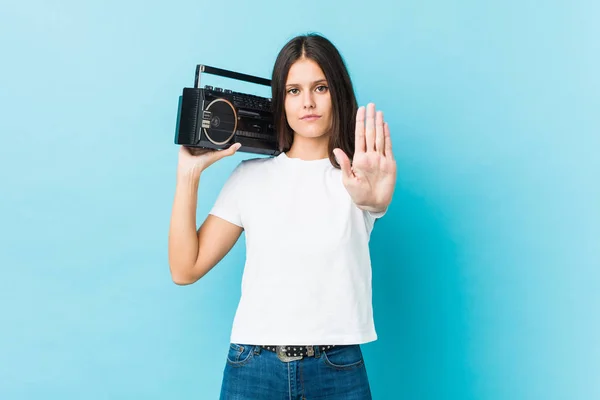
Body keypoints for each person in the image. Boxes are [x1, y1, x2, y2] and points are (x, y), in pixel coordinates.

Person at [168, 33, 397, 400]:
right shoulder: (249, 177)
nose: (307, 102)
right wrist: (188, 175)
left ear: (337, 92)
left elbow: (373, 200)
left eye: (320, 87)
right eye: (294, 91)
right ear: (280, 100)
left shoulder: (358, 178)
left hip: (336, 368)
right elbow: (185, 268)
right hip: (253, 368)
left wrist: (375, 201)